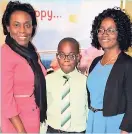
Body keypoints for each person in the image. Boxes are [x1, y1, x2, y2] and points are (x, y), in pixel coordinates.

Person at [1, 1, 47, 133]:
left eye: (27, 25)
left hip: (35, 119)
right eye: (16, 25)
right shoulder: (5, 54)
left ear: (33, 27)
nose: (22, 30)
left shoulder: (32, 53)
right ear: (8, 27)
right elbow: (5, 100)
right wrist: (21, 131)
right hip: (17, 124)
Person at [86, 7, 132, 133]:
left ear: (120, 33)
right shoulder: (96, 62)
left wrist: (125, 130)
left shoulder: (128, 64)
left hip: (115, 125)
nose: (104, 34)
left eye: (111, 30)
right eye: (101, 30)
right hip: (93, 121)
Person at [46, 37, 88, 133]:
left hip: (78, 131)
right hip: (53, 130)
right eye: (62, 55)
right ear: (57, 57)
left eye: (71, 56)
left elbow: (87, 110)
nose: (66, 60)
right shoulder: (48, 80)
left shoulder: (85, 82)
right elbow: (43, 108)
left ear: (78, 57)